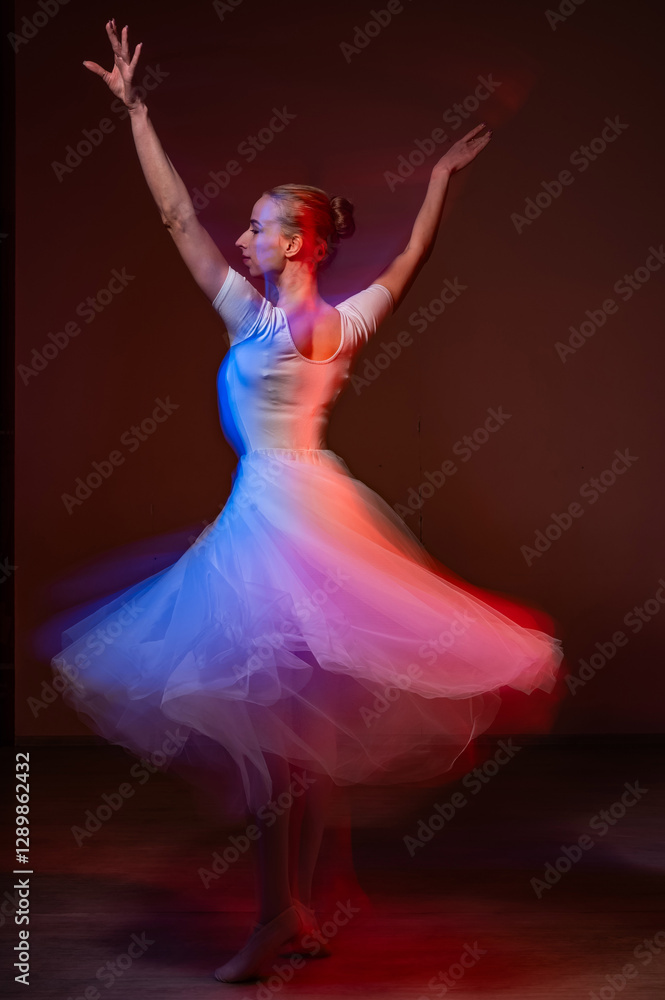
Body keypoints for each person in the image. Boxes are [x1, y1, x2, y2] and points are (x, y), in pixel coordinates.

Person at [52, 20, 564, 983]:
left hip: (284, 522)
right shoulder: (326, 320)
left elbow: (183, 225)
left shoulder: (276, 323)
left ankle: (279, 915)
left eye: (254, 224)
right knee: (296, 737)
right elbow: (402, 256)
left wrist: (138, 112)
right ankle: (311, 900)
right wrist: (138, 113)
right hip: (298, 511)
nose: (238, 235)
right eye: (242, 225)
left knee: (270, 743)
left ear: (294, 241)